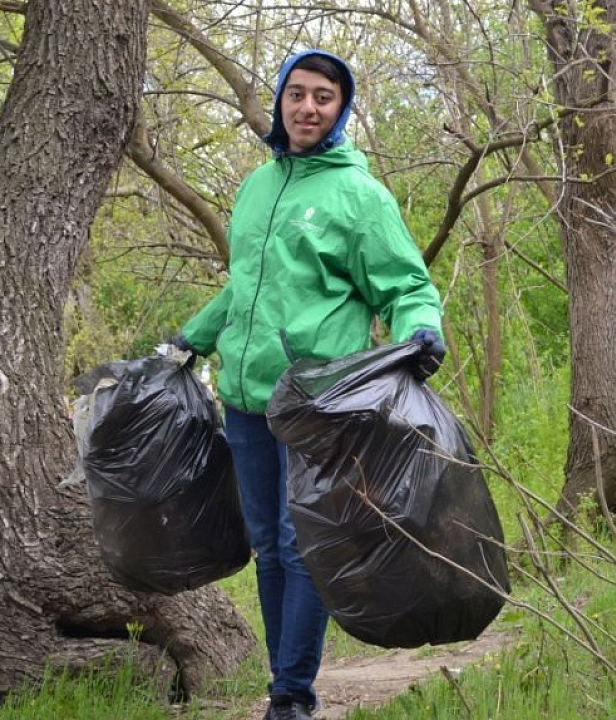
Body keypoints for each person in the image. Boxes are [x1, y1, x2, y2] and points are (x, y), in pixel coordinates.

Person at [174, 49, 446, 720]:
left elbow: (405, 283)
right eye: (296, 94)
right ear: (280, 101)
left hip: (319, 402)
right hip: (245, 399)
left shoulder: (359, 195)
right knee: (268, 545)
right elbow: (244, 288)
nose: (307, 107)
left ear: (341, 109)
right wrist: (190, 338)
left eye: (323, 97)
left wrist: (421, 328)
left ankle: (292, 696)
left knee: (303, 545)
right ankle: (283, 678)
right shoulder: (256, 187)